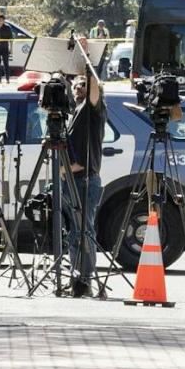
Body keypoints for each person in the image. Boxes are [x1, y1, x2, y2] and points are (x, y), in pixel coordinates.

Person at [65, 39, 105, 298]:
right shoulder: (74, 111)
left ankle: (86, 280)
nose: (78, 86)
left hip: (86, 180)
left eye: (83, 83)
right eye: (76, 83)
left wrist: (85, 56)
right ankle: (75, 277)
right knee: (73, 232)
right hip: (71, 180)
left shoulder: (94, 109)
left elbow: (94, 88)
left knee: (84, 230)